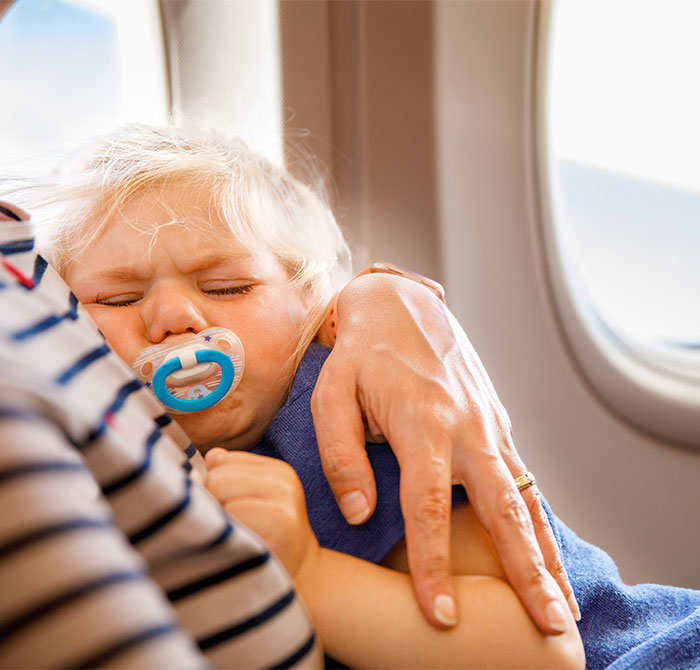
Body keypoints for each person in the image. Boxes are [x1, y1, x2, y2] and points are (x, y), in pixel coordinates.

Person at [13, 123, 580, 669]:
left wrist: (305, 571)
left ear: (313, 305)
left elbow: (542, 653)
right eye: (114, 299)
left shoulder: (347, 415)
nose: (173, 319)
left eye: (226, 287)